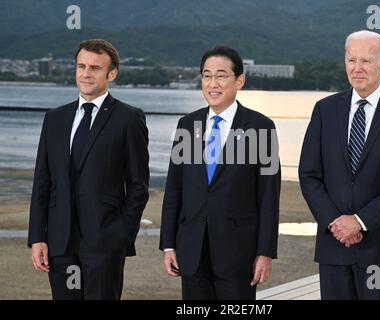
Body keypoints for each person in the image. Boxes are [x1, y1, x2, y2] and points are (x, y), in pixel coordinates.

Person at [299, 30, 380, 300]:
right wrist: (335, 222)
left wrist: (359, 221)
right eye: (351, 60)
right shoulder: (325, 110)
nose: (357, 68)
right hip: (334, 247)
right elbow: (309, 174)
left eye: (366, 61)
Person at [28, 39, 149, 300]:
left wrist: (123, 233)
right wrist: (38, 237)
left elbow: (138, 184)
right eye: (81, 66)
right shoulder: (55, 118)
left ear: (112, 74)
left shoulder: (129, 118)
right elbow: (42, 182)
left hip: (105, 242)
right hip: (60, 243)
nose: (85, 73)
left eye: (95, 68)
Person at [159, 45, 281, 300]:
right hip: (192, 250)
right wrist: (168, 244)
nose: (212, 83)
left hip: (239, 254)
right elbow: (174, 191)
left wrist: (265, 252)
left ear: (239, 80)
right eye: (206, 75)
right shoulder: (187, 125)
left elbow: (269, 196)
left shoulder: (261, 128)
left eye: (221, 75)